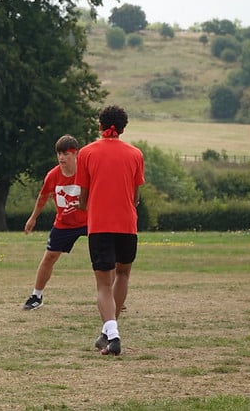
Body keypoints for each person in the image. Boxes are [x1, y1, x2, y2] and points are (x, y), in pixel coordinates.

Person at [75, 105, 144, 356]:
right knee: (123, 275)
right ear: (123, 128)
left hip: (101, 225)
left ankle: (112, 334)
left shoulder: (87, 153)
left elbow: (83, 199)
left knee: (103, 283)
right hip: (127, 225)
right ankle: (107, 332)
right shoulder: (136, 154)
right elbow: (136, 197)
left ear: (100, 125)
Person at [22, 135, 88, 310]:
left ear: (76, 154)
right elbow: (43, 196)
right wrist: (33, 218)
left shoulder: (86, 171)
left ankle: (114, 295)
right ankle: (36, 296)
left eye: (66, 154)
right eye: (59, 153)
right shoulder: (53, 175)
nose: (61, 158)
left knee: (104, 255)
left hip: (89, 221)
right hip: (64, 223)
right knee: (49, 257)